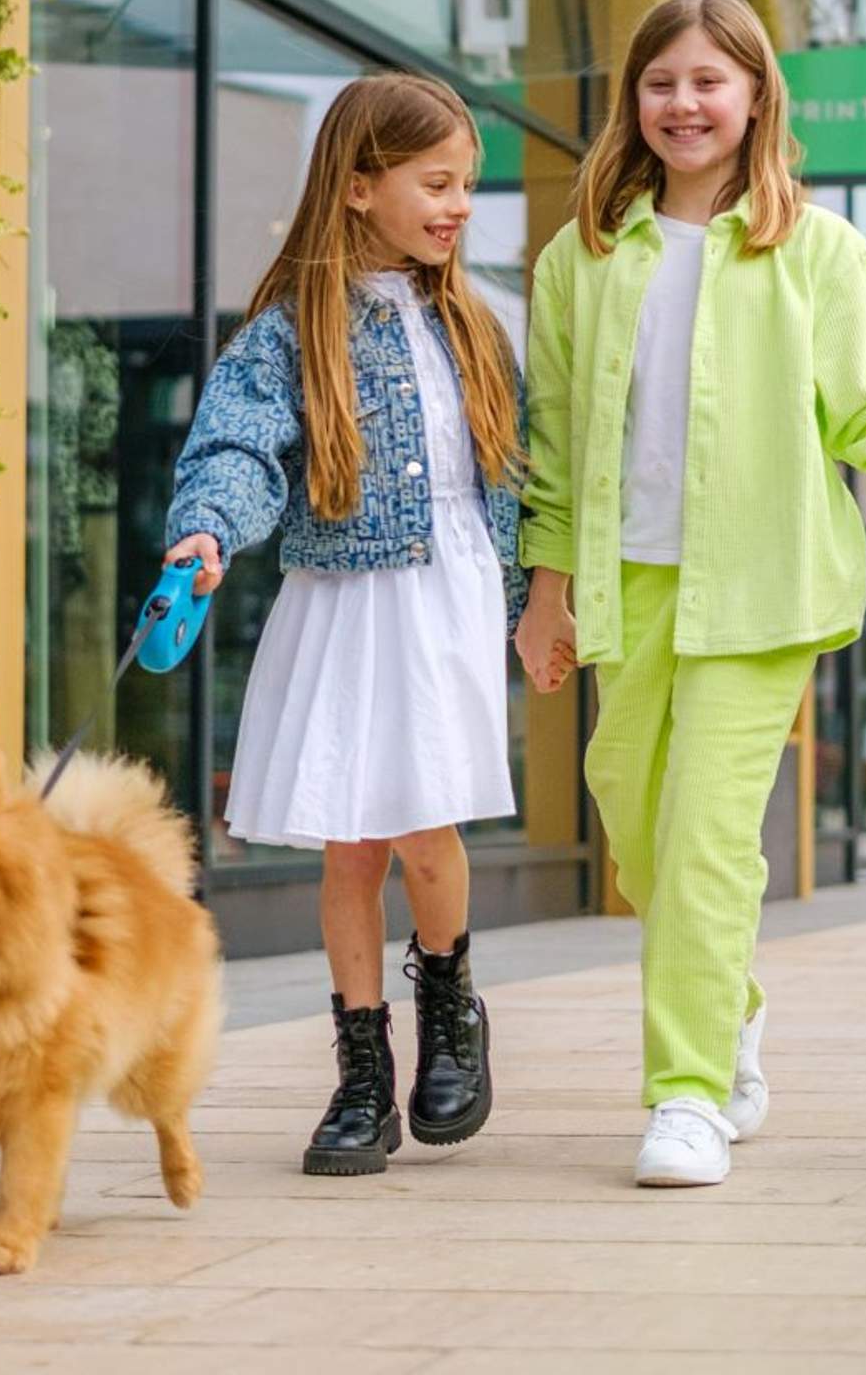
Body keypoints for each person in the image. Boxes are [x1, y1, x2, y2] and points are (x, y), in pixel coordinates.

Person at [516, 0, 866, 1188]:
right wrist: (547, 591)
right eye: (662, 81)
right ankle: (730, 1009)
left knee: (711, 838)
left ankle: (685, 1098)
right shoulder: (583, 256)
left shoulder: (822, 254)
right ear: (635, 100)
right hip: (629, 588)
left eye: (707, 81)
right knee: (632, 813)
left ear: (754, 97)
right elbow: (560, 439)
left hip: (764, 586)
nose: (684, 103)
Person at [163, 73, 525, 1177]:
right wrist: (209, 529)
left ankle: (450, 1005)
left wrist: (535, 605)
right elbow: (234, 445)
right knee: (352, 843)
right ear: (360, 186)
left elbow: (516, 481)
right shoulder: (290, 330)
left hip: (443, 602)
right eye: (437, 182)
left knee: (426, 828)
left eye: (467, 184)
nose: (459, 204)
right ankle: (362, 1070)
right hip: (341, 599)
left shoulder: (473, 324)